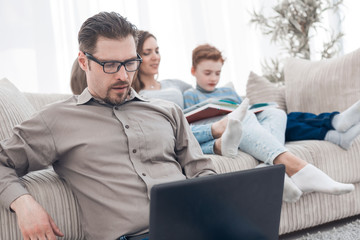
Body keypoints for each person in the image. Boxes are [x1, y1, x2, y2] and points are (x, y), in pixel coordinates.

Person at [0, 12, 218, 240]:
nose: (124, 76)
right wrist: (23, 204)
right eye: (111, 65)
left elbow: (202, 171)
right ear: (84, 62)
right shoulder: (56, 119)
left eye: (130, 63)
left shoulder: (168, 111)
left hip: (197, 229)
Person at [129, 32, 355, 203]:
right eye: (147, 52)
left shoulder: (174, 84)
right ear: (134, 57)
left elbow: (204, 94)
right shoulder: (134, 94)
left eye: (157, 50)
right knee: (239, 119)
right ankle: (299, 168)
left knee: (274, 112)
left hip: (200, 121)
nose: (155, 57)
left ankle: (268, 166)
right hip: (181, 130)